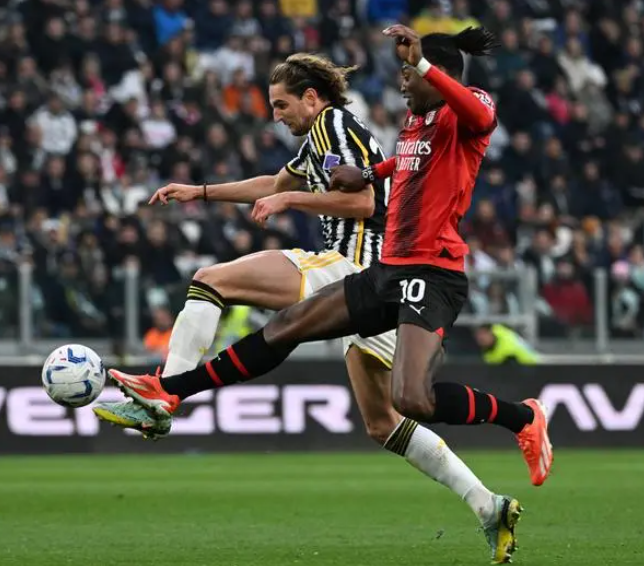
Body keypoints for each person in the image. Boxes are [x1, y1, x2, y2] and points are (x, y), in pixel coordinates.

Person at [100, 43, 534, 563]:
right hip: (381, 280)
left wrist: (290, 199)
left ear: (311, 98)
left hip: (353, 264)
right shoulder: (321, 139)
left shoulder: (332, 125)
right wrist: (202, 191)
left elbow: (363, 202)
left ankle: (163, 396)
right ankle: (488, 505)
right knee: (385, 421)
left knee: (211, 280)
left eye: (281, 105)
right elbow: (273, 182)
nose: (276, 116)